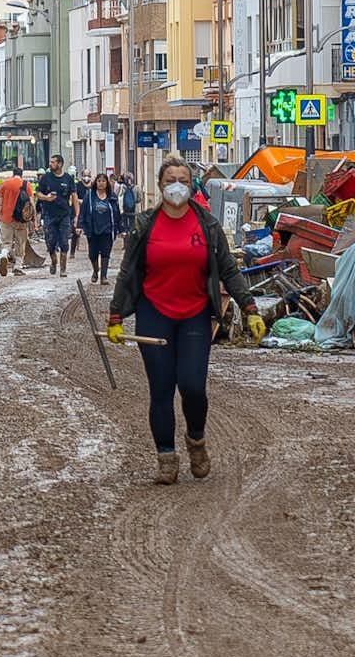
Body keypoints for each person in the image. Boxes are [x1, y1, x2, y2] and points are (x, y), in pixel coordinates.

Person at [106, 156, 264, 485]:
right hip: (154, 314)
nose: (176, 185)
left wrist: (249, 309)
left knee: (193, 387)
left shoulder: (207, 224)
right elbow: (127, 271)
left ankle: (196, 440)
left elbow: (229, 270)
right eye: (169, 180)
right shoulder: (144, 225)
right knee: (161, 390)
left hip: (194, 314)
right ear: (160, 185)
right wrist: (116, 315)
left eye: (182, 178)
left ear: (191, 185)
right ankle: (166, 456)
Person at [35, 155, 79, 276]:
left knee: (64, 242)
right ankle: (54, 261)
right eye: (50, 162)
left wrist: (77, 215)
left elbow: (74, 197)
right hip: (49, 215)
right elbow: (38, 193)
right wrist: (46, 198)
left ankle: (63, 269)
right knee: (50, 242)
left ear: (60, 164)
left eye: (53, 162)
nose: (51, 164)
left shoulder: (68, 179)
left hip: (64, 214)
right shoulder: (45, 178)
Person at [79, 173, 123, 284]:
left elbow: (117, 213)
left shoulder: (112, 197)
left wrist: (121, 229)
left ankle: (104, 276)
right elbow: (83, 212)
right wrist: (80, 226)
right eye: (99, 181)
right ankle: (95, 270)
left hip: (107, 229)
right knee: (92, 254)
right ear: (96, 182)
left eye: (104, 181)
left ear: (107, 183)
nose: (101, 183)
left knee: (105, 253)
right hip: (93, 229)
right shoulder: (89, 196)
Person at [0, 166, 37, 275]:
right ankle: (18, 267)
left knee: (6, 242)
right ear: (21, 174)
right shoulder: (26, 185)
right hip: (21, 219)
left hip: (6, 218)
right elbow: (32, 203)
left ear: (13, 174)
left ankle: (3, 255)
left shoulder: (5, 184)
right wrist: (34, 220)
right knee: (20, 243)